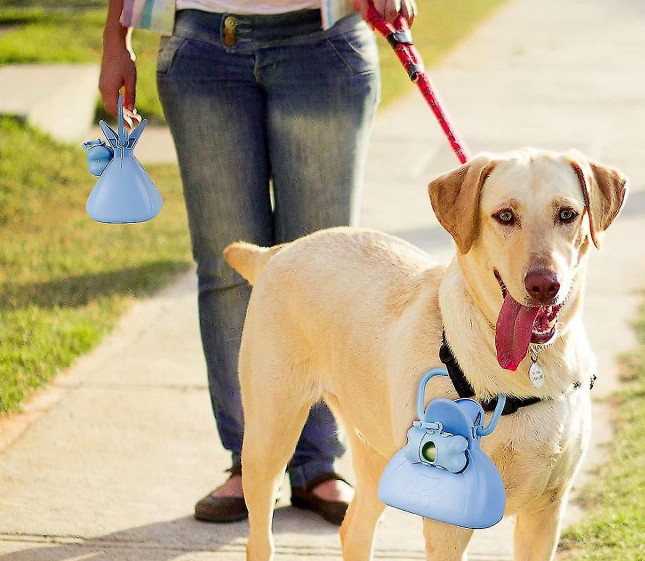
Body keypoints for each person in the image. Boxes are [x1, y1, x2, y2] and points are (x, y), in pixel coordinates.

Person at [99, 0, 416, 523]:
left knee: (327, 275)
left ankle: (317, 463)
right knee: (227, 265)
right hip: (200, 43)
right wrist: (116, 41)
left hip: (323, 41)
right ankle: (250, 460)